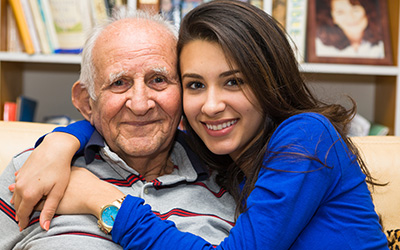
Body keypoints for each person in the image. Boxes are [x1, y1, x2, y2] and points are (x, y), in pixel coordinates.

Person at [11, 0, 388, 249]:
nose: (210, 105)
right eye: (195, 85)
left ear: (269, 80)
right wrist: (62, 141)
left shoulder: (305, 137)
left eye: (234, 81)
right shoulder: (219, 154)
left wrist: (103, 200)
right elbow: (129, 121)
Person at [0, 8, 236, 249]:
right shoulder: (35, 172)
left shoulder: (230, 182)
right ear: (85, 101)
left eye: (158, 79)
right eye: (119, 83)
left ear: (185, 92)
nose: (141, 105)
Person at [316, 0, 385, 58]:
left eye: (355, 10)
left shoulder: (384, 42)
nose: (350, 17)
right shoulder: (320, 46)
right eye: (340, 12)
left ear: (367, 11)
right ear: (333, 18)